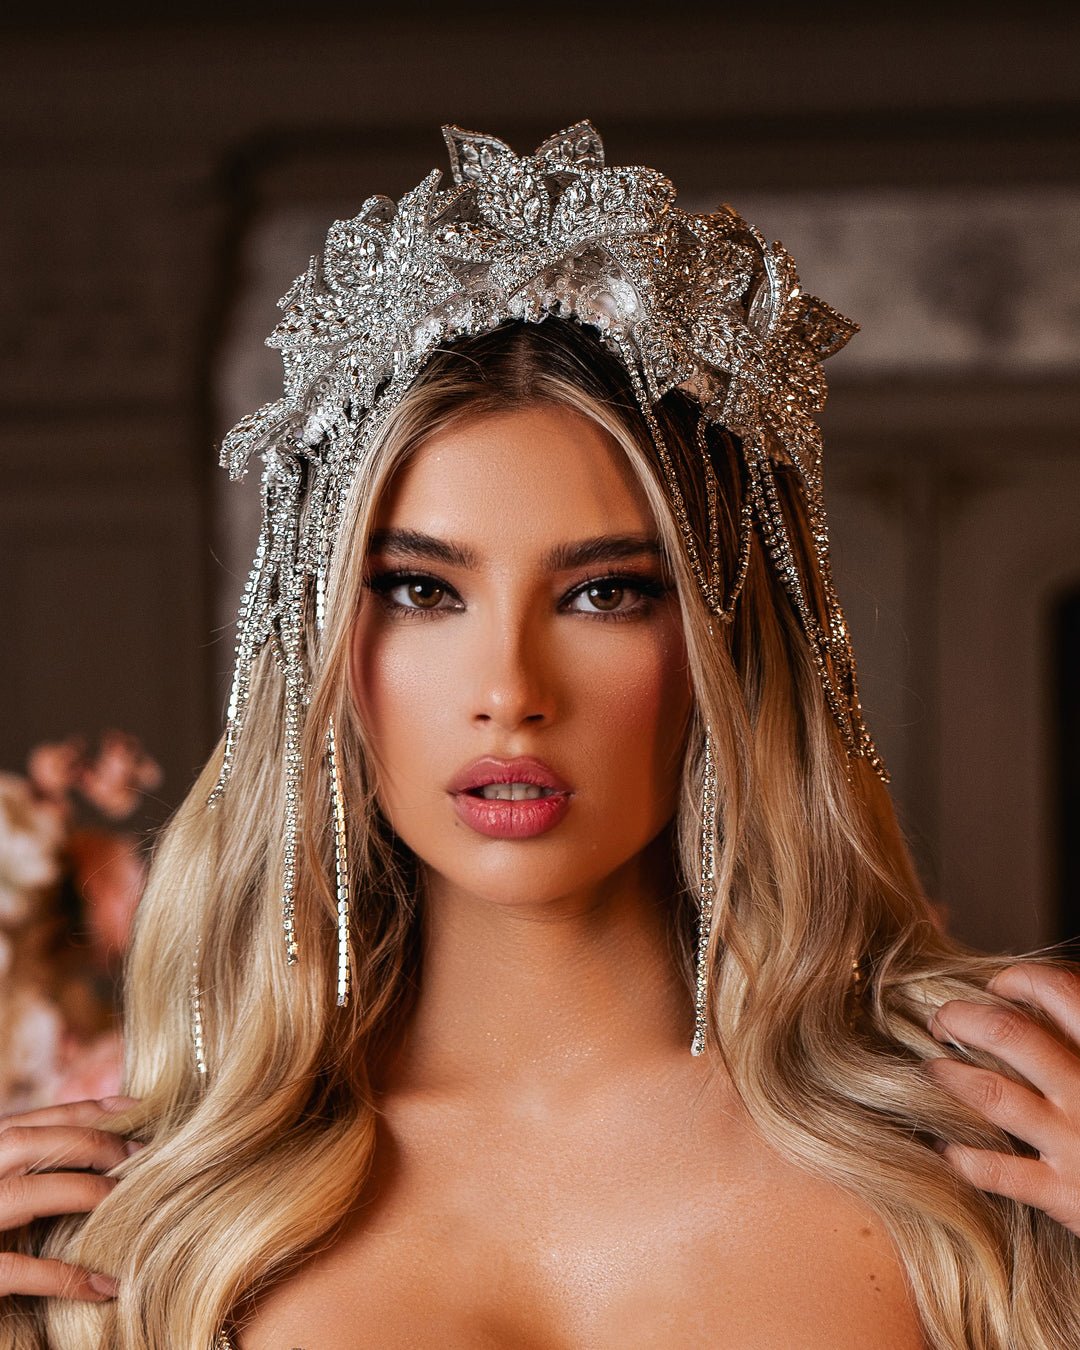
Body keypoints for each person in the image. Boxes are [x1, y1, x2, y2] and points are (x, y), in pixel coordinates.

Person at [2, 121, 1079, 1349]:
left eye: (606, 592)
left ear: (727, 647)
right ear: (319, 652)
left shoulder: (997, 1148)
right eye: (420, 590)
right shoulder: (136, 1229)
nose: (509, 689)